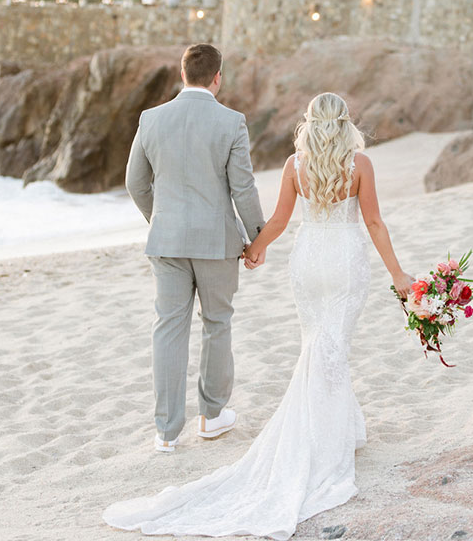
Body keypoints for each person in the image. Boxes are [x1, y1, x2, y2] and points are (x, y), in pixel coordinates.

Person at [104, 92, 414, 539]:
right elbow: (374, 224)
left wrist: (255, 248)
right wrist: (398, 273)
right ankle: (332, 435)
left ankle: (342, 424)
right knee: (333, 344)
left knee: (316, 342)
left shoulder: (295, 166)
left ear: (310, 123)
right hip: (345, 260)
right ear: (345, 124)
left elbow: (280, 221)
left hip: (308, 260)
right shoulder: (360, 165)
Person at [124, 43, 265, 454]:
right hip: (217, 242)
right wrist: (257, 238)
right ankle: (212, 416)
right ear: (217, 78)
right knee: (217, 323)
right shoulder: (231, 122)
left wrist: (160, 220)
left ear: (182, 74)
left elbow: (135, 183)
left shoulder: (151, 119)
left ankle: (166, 432)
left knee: (168, 329)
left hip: (166, 241)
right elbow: (243, 187)